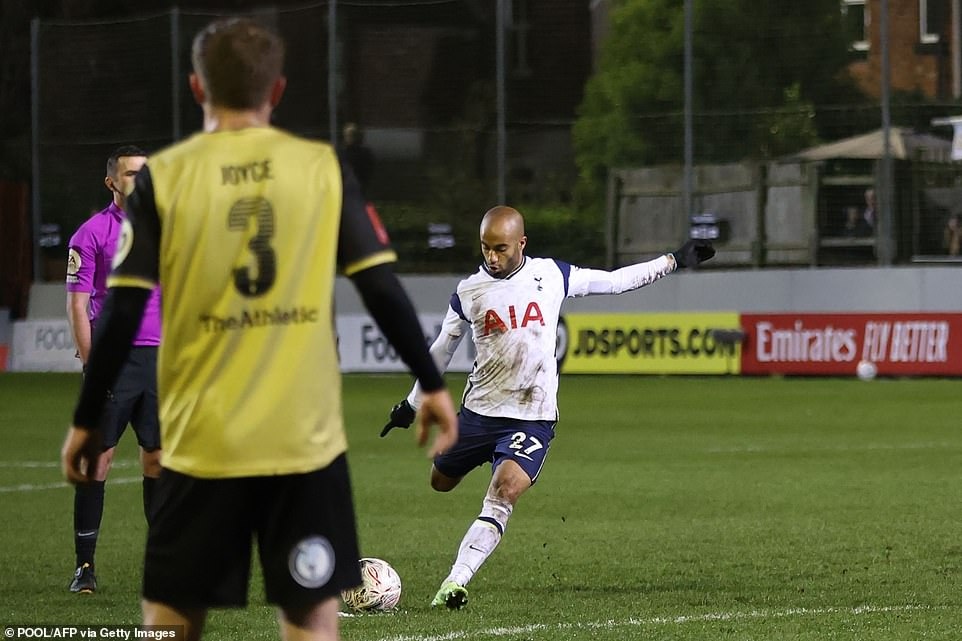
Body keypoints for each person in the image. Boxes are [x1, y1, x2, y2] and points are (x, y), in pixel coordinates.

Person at [60, 17, 457, 641]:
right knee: (310, 621)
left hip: (200, 439)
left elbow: (124, 309)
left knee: (169, 622)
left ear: (197, 88)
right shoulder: (319, 166)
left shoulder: (165, 178)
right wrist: (431, 382)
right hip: (302, 442)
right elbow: (379, 284)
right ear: (277, 91)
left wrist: (86, 421)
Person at [380, 206, 715, 609]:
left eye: (501, 248)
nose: (492, 257)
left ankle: (455, 581)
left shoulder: (551, 275)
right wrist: (411, 405)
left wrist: (673, 260)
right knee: (440, 481)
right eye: (486, 248)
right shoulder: (469, 291)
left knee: (504, 492)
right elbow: (439, 352)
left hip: (532, 417)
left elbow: (613, 282)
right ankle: (465, 505)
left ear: (521, 243)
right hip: (478, 414)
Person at [64, 145, 162, 594]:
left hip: (161, 362)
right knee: (98, 462)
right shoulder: (90, 234)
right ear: (112, 182)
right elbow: (78, 306)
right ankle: (85, 567)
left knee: (158, 462)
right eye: (130, 175)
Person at [338, 122, 374, 194]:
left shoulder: (364, 153)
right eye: (348, 135)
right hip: (346, 186)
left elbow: (368, 170)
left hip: (359, 185)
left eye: (351, 136)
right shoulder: (342, 152)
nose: (349, 138)